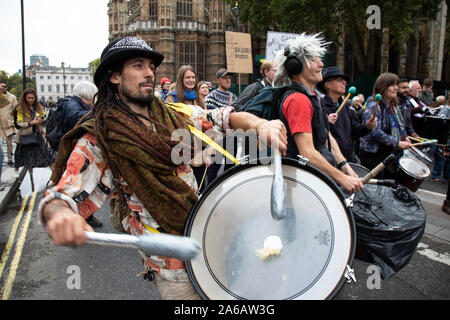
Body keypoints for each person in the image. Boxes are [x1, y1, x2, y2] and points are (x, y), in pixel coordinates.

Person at [37, 36, 287, 300]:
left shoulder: (170, 114)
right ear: (114, 77)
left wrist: (260, 125)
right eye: (138, 65)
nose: (149, 73)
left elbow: (223, 118)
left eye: (151, 67)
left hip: (207, 238)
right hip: (171, 268)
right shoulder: (101, 137)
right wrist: (59, 215)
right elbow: (62, 196)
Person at [273, 33, 363, 194]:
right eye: (314, 60)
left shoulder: (313, 98)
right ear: (297, 66)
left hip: (312, 178)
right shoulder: (298, 100)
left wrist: (344, 165)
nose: (321, 64)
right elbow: (307, 152)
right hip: (300, 185)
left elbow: (326, 138)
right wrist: (341, 178)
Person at [359, 73, 412, 179]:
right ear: (383, 86)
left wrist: (404, 137)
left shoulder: (393, 107)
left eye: (397, 85)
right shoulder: (374, 105)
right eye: (392, 85)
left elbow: (400, 126)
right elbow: (375, 132)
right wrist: (398, 142)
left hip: (387, 153)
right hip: (373, 154)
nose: (396, 88)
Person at [318, 66, 376, 163]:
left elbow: (355, 130)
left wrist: (367, 126)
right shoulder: (320, 106)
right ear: (327, 84)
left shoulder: (345, 106)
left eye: (344, 80)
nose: (344, 82)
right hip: (330, 160)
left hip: (348, 159)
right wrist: (326, 123)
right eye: (339, 80)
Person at [12, 88, 54, 189]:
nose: (30, 100)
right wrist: (30, 123)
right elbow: (18, 124)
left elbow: (44, 119)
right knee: (23, 159)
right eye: (28, 98)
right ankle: (19, 180)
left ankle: (54, 178)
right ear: (24, 98)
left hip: (37, 135)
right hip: (25, 136)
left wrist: (41, 121)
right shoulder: (20, 109)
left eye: (32, 98)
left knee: (47, 157)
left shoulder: (39, 107)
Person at [0, 80, 18, 167]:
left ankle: (10, 159)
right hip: (0, 124)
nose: (2, 88)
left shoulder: (12, 97)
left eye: (4, 86)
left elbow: (16, 111)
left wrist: (13, 122)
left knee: (9, 143)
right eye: (0, 86)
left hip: (8, 123)